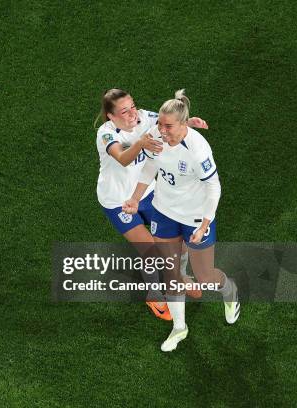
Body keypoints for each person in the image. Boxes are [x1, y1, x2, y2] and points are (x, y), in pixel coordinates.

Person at [122, 90, 239, 352]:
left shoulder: (197, 150)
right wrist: (135, 197)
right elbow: (151, 166)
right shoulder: (156, 136)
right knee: (171, 273)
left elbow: (214, 187)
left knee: (205, 276)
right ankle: (179, 328)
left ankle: (229, 291)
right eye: (160, 124)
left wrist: (205, 223)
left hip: (195, 217)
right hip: (163, 211)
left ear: (183, 124)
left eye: (168, 126)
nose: (161, 130)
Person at [95, 89, 207, 320]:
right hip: (117, 201)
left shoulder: (144, 117)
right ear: (110, 116)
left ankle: (180, 277)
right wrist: (141, 143)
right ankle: (154, 294)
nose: (132, 114)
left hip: (148, 190)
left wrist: (188, 123)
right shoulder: (106, 134)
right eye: (124, 111)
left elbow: (167, 122)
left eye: (132, 106)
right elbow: (123, 158)